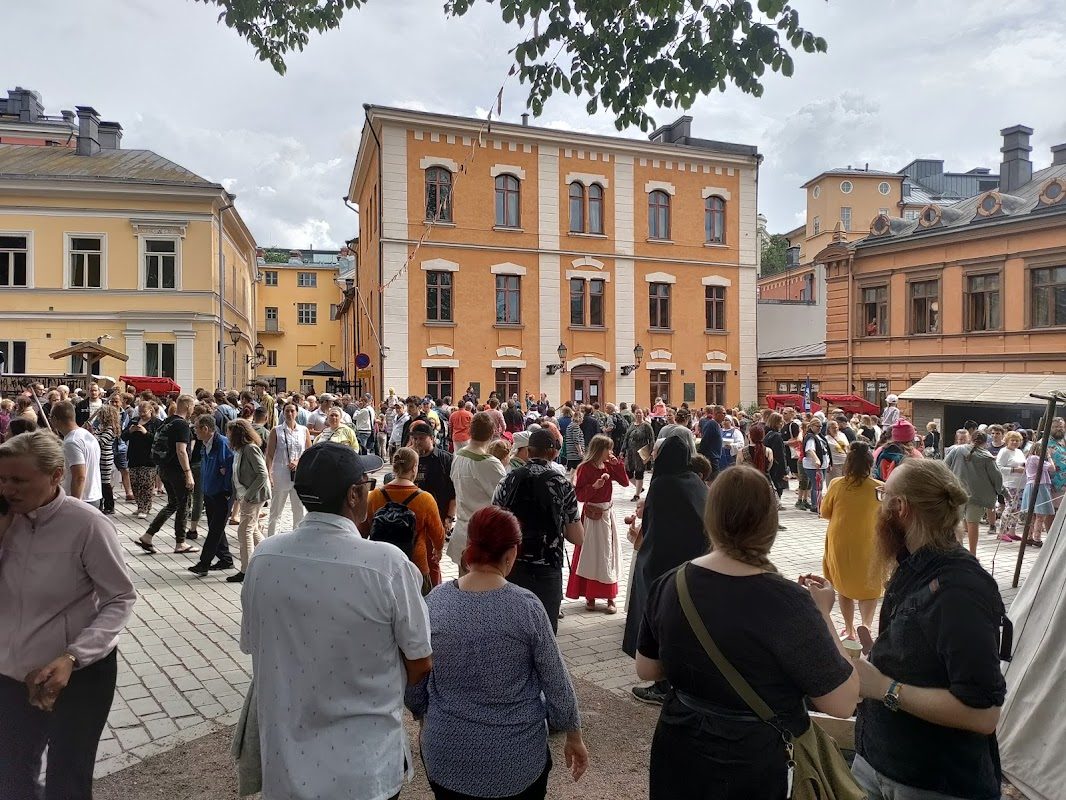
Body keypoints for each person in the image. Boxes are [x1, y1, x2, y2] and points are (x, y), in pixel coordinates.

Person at [635, 465, 858, 798]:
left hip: (681, 747)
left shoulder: (672, 583)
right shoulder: (788, 602)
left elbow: (647, 668)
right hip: (755, 761)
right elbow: (841, 703)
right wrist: (824, 614)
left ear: (710, 517)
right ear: (769, 524)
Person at [241, 442, 432, 800]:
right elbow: (420, 661)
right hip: (364, 764)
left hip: (287, 764)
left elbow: (254, 644)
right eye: (368, 485)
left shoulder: (264, 557)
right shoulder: (387, 565)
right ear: (354, 495)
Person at [406, 506, 587, 799]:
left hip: (447, 753)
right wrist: (573, 732)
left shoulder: (434, 604)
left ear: (469, 547)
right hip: (516, 758)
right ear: (511, 553)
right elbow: (556, 681)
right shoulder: (526, 607)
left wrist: (421, 712)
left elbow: (416, 680)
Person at [853, 459, 1008, 800]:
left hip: (929, 782)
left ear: (902, 508)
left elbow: (983, 714)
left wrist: (884, 686)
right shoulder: (916, 565)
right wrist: (880, 656)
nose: (880, 508)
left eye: (884, 496)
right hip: (880, 761)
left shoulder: (960, 589)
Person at [0, 429, 137, 800]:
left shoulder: (87, 525)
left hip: (78, 676)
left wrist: (74, 655)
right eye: (1, 478)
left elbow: (121, 598)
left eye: (18, 480)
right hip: (11, 674)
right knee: (11, 776)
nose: (7, 489)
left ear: (56, 475)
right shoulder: (5, 520)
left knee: (67, 781)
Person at [624, 436, 709, 705]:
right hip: (693, 565)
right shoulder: (695, 481)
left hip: (663, 565)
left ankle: (663, 684)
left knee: (661, 623)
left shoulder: (662, 485)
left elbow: (654, 530)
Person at [493, 428, 583, 631]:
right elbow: (577, 537)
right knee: (545, 630)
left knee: (514, 629)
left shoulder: (507, 480)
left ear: (529, 451)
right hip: (548, 566)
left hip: (512, 564)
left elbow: (494, 520)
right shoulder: (562, 484)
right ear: (552, 452)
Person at [362, 447, 446, 595]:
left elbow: (362, 531)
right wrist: (437, 550)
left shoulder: (374, 496)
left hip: (381, 566)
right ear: (414, 467)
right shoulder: (425, 499)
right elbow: (438, 534)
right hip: (415, 565)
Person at [820, 441, 882, 639]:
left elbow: (825, 512)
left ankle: (849, 629)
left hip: (841, 541)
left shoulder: (837, 484)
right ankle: (866, 625)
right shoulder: (880, 488)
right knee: (870, 586)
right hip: (870, 541)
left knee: (843, 585)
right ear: (870, 464)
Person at [566, 434, 629, 614]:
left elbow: (625, 483)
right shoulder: (584, 468)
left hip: (607, 514)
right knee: (591, 554)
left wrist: (618, 465)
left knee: (609, 553)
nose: (610, 452)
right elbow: (578, 496)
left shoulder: (610, 464)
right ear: (599, 450)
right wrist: (594, 486)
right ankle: (590, 595)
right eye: (608, 448)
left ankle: (610, 597)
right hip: (592, 515)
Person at [134, 394, 198, 555]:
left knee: (173, 504)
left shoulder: (167, 421)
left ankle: (148, 536)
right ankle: (180, 542)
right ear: (188, 407)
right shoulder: (182, 425)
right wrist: (188, 473)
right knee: (184, 504)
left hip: (164, 469)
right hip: (177, 471)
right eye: (193, 407)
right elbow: (181, 450)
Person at [450, 412, 507, 574]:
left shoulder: (458, 457)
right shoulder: (490, 463)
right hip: (485, 536)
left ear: (470, 430)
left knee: (464, 583)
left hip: (462, 529)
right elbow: (505, 498)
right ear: (492, 433)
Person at [187, 415, 236, 577]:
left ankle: (204, 563)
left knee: (215, 530)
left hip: (222, 493)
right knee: (215, 527)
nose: (194, 431)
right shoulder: (205, 443)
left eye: (196, 428)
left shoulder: (221, 443)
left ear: (205, 429)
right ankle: (226, 559)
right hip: (209, 491)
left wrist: (228, 490)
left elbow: (229, 467)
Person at [944, 431, 1002, 556]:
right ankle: (972, 554)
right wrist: (1002, 492)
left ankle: (957, 552)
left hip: (957, 493)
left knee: (957, 523)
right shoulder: (987, 456)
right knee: (973, 524)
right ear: (986, 442)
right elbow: (996, 477)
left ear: (970, 438)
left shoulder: (956, 450)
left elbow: (944, 467)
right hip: (977, 496)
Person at [264, 402, 312, 538]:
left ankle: (298, 538)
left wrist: (298, 461)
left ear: (297, 413)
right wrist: (269, 473)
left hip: (298, 474)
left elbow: (309, 451)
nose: (290, 414)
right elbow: (270, 454)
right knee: (276, 511)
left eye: (292, 411)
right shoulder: (276, 430)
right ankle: (272, 538)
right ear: (283, 413)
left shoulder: (303, 430)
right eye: (287, 411)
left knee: (298, 510)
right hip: (280, 473)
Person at [49, 401, 103, 508]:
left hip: (82, 499)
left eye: (50, 417)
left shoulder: (71, 442)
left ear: (55, 419)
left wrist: (75, 504)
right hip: (93, 495)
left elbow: (79, 476)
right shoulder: (87, 435)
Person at [122, 400, 161, 519]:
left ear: (150, 410)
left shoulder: (157, 423)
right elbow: (123, 436)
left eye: (144, 412)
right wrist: (130, 431)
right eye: (140, 412)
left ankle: (145, 507)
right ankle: (140, 505)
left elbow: (158, 440)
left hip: (148, 458)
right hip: (134, 456)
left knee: (146, 484)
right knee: (135, 483)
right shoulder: (134, 421)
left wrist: (146, 432)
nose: (141, 414)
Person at [1021, 442, 1056, 548]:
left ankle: (1029, 537)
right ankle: (1037, 538)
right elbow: (1052, 468)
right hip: (1038, 487)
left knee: (1032, 515)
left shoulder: (1029, 458)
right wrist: (1049, 456)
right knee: (1040, 515)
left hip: (1030, 486)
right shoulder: (1036, 458)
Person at [995, 431, 1027, 542]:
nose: (1014, 442)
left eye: (1017, 440)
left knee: (1017, 508)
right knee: (1010, 506)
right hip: (1010, 484)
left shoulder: (1019, 451)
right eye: (1012, 440)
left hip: (1021, 483)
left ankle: (1012, 531)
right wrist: (1014, 470)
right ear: (1007, 441)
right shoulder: (1004, 452)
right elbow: (998, 467)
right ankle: (1002, 531)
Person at [93, 404, 121, 515]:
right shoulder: (102, 427)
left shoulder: (110, 428)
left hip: (105, 457)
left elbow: (101, 442)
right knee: (100, 482)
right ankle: (101, 504)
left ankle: (109, 506)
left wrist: (92, 435)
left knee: (105, 483)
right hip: (100, 456)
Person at [623, 407, 655, 501]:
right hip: (630, 453)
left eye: (640, 413)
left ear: (643, 414)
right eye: (636, 413)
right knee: (628, 472)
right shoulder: (631, 425)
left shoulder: (647, 426)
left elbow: (652, 439)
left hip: (641, 453)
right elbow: (626, 438)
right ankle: (639, 488)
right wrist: (622, 450)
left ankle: (637, 494)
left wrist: (651, 451)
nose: (638, 415)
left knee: (639, 472)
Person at [802, 417, 832, 513]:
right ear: (811, 426)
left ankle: (816, 504)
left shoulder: (819, 436)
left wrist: (829, 463)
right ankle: (816, 505)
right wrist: (816, 459)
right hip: (813, 466)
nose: (819, 428)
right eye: (817, 426)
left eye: (820, 426)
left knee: (817, 485)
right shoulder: (810, 437)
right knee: (818, 486)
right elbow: (810, 450)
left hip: (822, 465)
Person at [764, 412, 789, 502]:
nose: (782, 424)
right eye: (781, 422)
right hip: (776, 466)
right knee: (778, 488)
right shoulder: (777, 436)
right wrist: (784, 471)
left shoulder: (768, 434)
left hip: (769, 464)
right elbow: (780, 455)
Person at [564, 409, 586, 475]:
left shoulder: (570, 425)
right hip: (575, 451)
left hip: (571, 450)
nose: (583, 419)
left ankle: (572, 481)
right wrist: (580, 451)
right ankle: (573, 482)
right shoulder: (575, 426)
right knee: (577, 468)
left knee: (574, 468)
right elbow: (576, 439)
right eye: (582, 418)